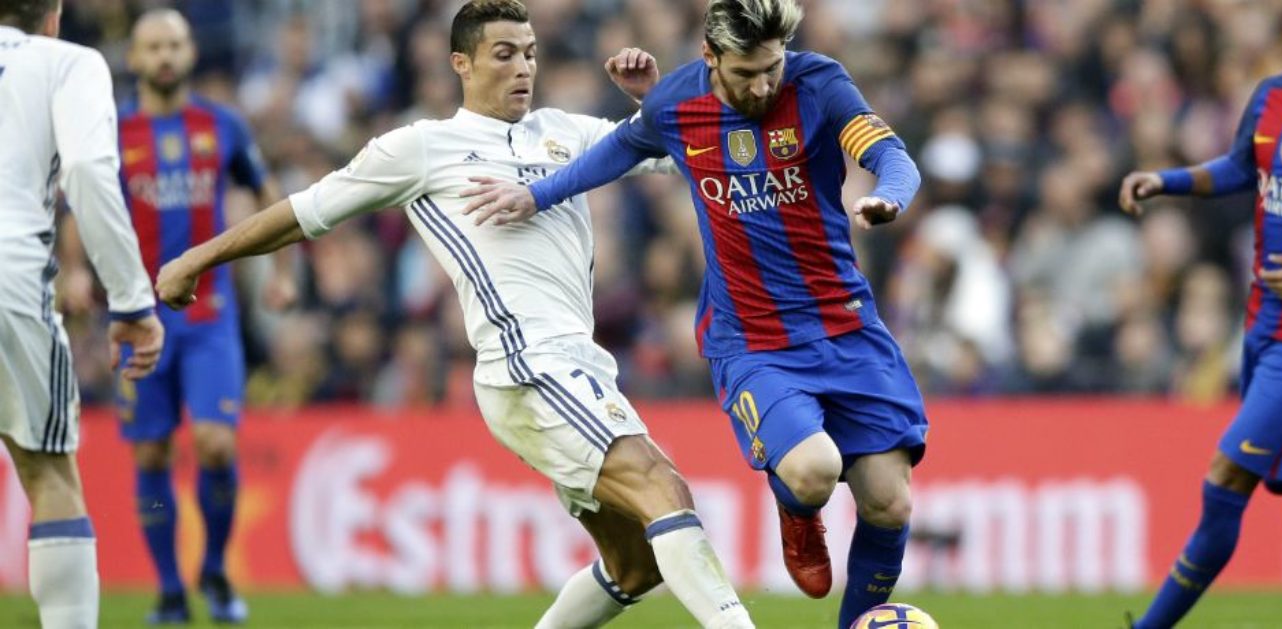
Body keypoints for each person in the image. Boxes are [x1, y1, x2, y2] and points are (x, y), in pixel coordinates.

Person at [155, 2, 754, 627]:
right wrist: (198, 258)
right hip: (527, 364)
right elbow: (304, 212)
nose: (523, 68)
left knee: (636, 564)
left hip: (577, 363)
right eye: (504, 54)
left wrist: (654, 101)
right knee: (662, 488)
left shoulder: (566, 132)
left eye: (529, 54)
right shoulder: (422, 148)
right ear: (460, 64)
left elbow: (686, 150)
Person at [460, 0, 926, 626]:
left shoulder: (819, 82)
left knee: (890, 504)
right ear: (710, 56)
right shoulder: (676, 104)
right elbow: (616, 152)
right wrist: (536, 195)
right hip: (754, 340)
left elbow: (891, 154)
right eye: (745, 73)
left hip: (847, 326)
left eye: (771, 69)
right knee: (815, 471)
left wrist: (888, 196)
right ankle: (798, 509)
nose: (761, 86)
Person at [106, 9, 294, 625]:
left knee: (214, 445)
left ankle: (214, 567)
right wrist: (77, 272)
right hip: (137, 315)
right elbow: (84, 208)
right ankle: (168, 589)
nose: (165, 55)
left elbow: (267, 194)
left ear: (189, 53)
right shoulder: (112, 131)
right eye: (153, 46)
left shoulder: (222, 125)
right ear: (134, 57)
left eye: (175, 44)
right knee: (151, 455)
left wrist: (282, 272)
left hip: (210, 317)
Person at [1117, 14, 1282, 629]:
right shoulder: (1273, 97)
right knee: (1258, 480)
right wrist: (1164, 181)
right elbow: (1241, 168)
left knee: (1226, 477)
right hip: (1262, 324)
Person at [0, 0, 165, 627]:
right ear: (54, 15)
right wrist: (131, 299)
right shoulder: (69, 62)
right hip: (11, 274)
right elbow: (89, 171)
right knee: (48, 473)